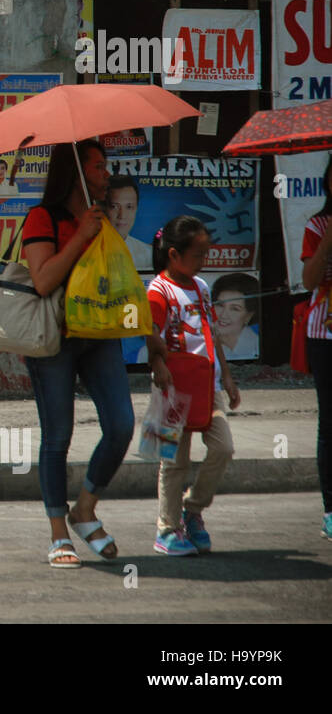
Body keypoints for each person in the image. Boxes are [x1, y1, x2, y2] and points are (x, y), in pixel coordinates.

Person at [20, 139, 134, 568]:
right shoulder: (41, 217)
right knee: (58, 436)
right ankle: (57, 534)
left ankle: (84, 508)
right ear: (77, 172)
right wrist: (81, 235)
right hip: (55, 339)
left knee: (122, 424)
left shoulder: (103, 219)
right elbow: (44, 280)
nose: (107, 175)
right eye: (100, 167)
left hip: (100, 333)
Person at [146, 216, 240, 555]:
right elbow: (150, 336)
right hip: (173, 389)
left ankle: (193, 509)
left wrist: (226, 377)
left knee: (223, 446)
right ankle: (167, 529)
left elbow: (210, 334)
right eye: (198, 254)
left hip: (207, 387)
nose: (203, 261)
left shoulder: (201, 287)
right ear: (174, 254)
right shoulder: (159, 291)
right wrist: (158, 367)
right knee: (174, 461)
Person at [299, 156, 332, 541]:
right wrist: (327, 242)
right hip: (324, 334)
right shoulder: (316, 225)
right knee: (329, 422)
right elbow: (308, 279)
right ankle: (330, 508)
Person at [105, 174, 153, 270]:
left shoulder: (147, 255)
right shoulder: (89, 249)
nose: (122, 215)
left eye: (129, 207)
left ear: (136, 209)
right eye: (114, 206)